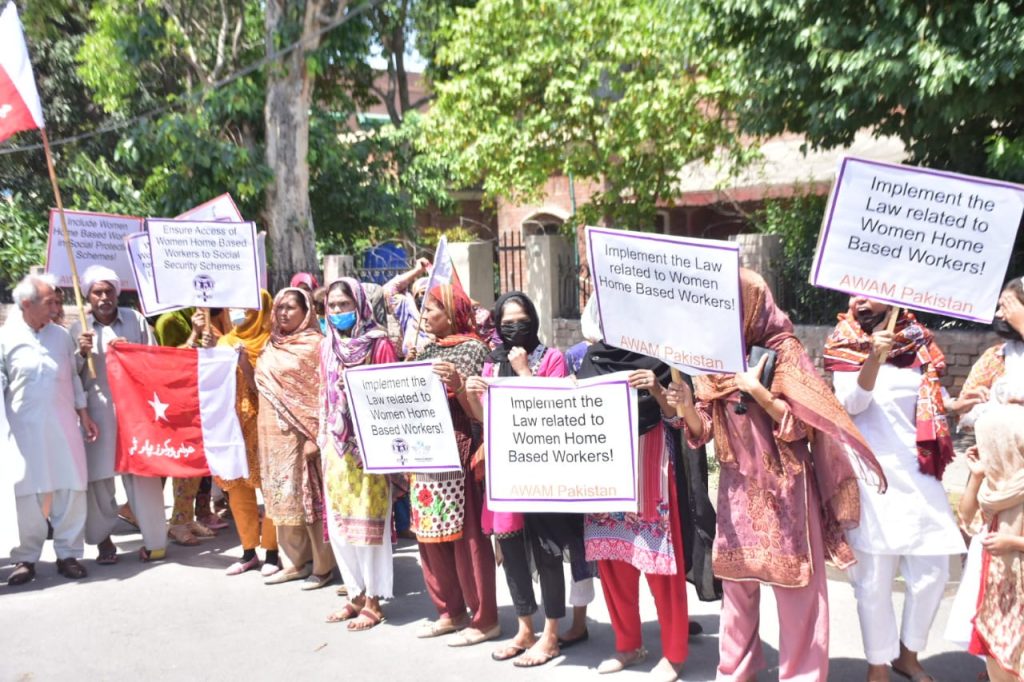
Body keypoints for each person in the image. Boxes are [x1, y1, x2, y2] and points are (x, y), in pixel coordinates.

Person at [665, 269, 886, 682]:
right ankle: (736, 671)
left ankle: (801, 675)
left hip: (786, 489)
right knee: (737, 587)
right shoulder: (713, 359)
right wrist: (686, 406)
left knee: (797, 591)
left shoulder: (785, 352)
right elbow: (702, 431)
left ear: (753, 303)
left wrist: (759, 393)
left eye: (733, 302)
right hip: (737, 488)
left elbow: (804, 427)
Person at [824, 298, 965, 682]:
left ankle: (908, 655)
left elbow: (930, 398)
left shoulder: (917, 340)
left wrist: (956, 405)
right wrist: (874, 357)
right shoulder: (845, 341)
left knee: (933, 572)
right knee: (873, 581)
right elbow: (851, 404)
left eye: (866, 292)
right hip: (871, 477)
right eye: (852, 293)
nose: (858, 300)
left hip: (920, 473)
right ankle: (878, 665)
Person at [466, 291, 594, 668]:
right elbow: (485, 418)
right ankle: (525, 629)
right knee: (511, 548)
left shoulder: (550, 358)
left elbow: (556, 411)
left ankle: (551, 634)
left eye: (521, 321)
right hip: (506, 470)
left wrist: (524, 372)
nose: (514, 329)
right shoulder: (492, 363)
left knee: (546, 549)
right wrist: (471, 396)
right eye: (507, 323)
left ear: (533, 321)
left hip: (542, 470)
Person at [576, 328, 690, 681]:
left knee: (660, 567)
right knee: (614, 566)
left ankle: (674, 654)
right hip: (606, 476)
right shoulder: (595, 357)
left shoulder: (663, 355)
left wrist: (655, 389)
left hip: (648, 467)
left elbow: (679, 418)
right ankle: (628, 645)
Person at [410, 283, 500, 646]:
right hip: (424, 452)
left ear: (451, 314)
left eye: (432, 308)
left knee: (467, 538)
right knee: (430, 534)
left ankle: (484, 618)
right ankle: (450, 611)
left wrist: (458, 384)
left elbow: (481, 412)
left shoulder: (475, 349)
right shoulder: (424, 351)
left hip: (460, 448)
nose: (425, 315)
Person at [1, 273, 99, 584]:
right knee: (28, 492)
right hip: (24, 432)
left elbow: (73, 378)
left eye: (58, 302)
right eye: (50, 302)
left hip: (64, 425)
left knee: (71, 487)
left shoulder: (61, 336)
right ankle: (26, 558)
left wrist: (83, 414)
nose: (57, 308)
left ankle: (68, 554)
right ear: (26, 304)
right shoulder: (6, 338)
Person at [70, 265, 169, 563]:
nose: (104, 297)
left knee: (143, 476)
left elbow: (154, 359)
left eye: (108, 291)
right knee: (99, 480)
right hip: (97, 413)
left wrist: (132, 352)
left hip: (135, 411)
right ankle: (104, 542)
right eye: (97, 292)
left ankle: (155, 542)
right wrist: (81, 353)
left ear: (117, 293)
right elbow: (70, 376)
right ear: (88, 296)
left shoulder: (135, 320)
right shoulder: (79, 329)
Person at [319, 277, 397, 630]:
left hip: (370, 448)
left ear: (360, 306)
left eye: (345, 305)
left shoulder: (378, 344)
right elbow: (323, 394)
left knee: (370, 523)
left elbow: (391, 393)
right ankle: (354, 593)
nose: (338, 311)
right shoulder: (327, 346)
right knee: (340, 523)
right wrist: (323, 439)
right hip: (336, 447)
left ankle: (374, 601)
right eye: (333, 306)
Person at [957, 278, 1024, 682]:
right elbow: (967, 411)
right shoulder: (996, 357)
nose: (999, 313)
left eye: (1006, 305)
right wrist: (991, 410)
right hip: (1001, 476)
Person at [256, 287, 336, 589]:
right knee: (283, 499)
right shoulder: (271, 344)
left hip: (304, 437)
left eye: (290, 307)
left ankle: (323, 566)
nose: (283, 313)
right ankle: (293, 563)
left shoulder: (317, 345)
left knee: (310, 499)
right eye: (279, 307)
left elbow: (323, 392)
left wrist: (316, 435)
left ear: (306, 311)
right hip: (273, 439)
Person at [217, 291, 280, 577]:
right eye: (236, 304)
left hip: (263, 425)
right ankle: (248, 551)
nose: (240, 310)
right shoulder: (223, 343)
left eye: (248, 304)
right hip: (232, 426)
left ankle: (272, 551)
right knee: (237, 489)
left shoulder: (271, 344)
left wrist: (244, 364)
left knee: (270, 488)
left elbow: (269, 389)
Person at [163, 308, 231, 545]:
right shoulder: (170, 321)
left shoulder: (212, 319)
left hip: (204, 402)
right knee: (185, 465)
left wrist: (212, 345)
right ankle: (177, 523)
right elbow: (168, 362)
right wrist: (194, 334)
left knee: (198, 467)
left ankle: (186, 517)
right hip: (180, 404)